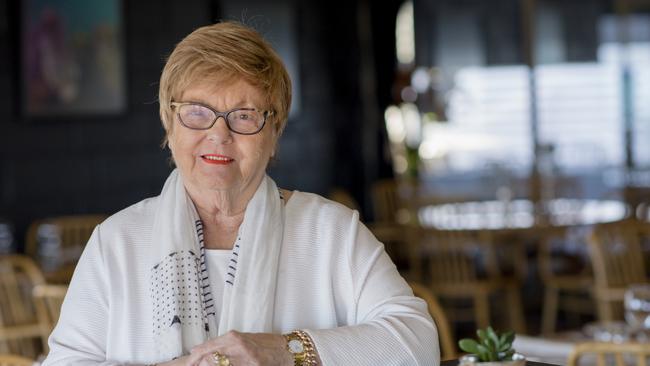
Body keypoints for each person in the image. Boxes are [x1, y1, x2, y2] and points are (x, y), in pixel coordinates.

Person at [42, 21, 439, 366]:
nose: (219, 134)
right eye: (197, 111)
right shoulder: (117, 241)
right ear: (169, 123)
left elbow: (418, 342)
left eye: (244, 116)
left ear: (274, 130)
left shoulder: (331, 232)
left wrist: (286, 352)